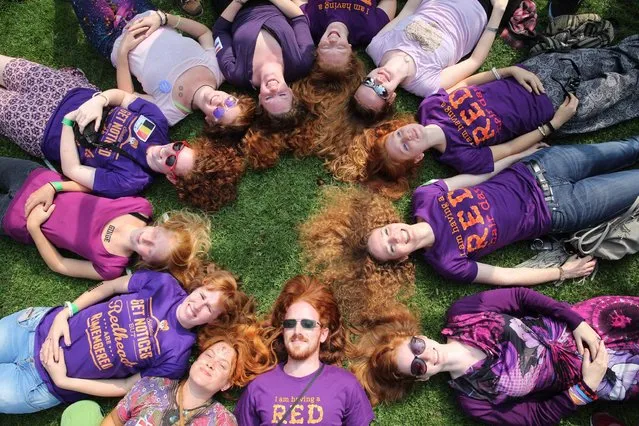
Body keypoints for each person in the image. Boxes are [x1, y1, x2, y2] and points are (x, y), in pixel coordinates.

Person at [365, 136, 639, 285]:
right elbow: (504, 275)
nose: (395, 237)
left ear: (390, 222)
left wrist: (521, 154)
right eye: (391, 247)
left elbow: (478, 176)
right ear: (401, 259)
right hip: (561, 208)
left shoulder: (424, 197)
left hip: (542, 167)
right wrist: (562, 273)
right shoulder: (446, 261)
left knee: (630, 147)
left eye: (386, 232)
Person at [349, 287, 639, 425]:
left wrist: (577, 322)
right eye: (416, 365)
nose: (425, 356)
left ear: (420, 337)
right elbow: (534, 417)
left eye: (416, 347)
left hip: (593, 323)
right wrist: (584, 390)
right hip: (607, 376)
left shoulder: (463, 312)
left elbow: (521, 298)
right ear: (421, 377)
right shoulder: (474, 401)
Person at [364, 35, 639, 180]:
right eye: (404, 147)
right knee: (625, 85)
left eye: (398, 135)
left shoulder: (429, 107)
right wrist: (554, 124)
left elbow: (469, 82)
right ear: (417, 158)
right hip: (554, 107)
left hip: (533, 73)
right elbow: (508, 149)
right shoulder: (460, 158)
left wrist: (508, 71)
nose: (407, 136)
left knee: (611, 57)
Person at [0, 268, 245, 414]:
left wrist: (63, 380)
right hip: (33, 329)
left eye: (209, 309)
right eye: (202, 296)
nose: (198, 306)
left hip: (40, 384)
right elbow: (111, 286)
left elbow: (127, 386)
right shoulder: (163, 284)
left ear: (213, 320)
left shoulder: (177, 357)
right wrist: (66, 312)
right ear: (197, 288)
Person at [0, 55, 197, 197]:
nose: (167, 152)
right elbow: (123, 96)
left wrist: (69, 122)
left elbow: (72, 170)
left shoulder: (130, 180)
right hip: (68, 90)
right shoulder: (158, 124)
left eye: (171, 161)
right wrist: (100, 100)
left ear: (172, 178)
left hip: (42, 129)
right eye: (178, 147)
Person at [0, 157, 210, 281]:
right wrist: (53, 187)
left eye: (151, 249)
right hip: (37, 179)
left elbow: (61, 265)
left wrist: (34, 227)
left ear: (148, 261)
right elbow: (94, 185)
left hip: (16, 217)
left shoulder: (111, 266)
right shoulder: (139, 207)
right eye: (155, 235)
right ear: (160, 226)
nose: (146, 239)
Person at [69, 0, 255, 134]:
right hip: (144, 12)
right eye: (230, 102)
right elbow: (204, 32)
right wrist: (163, 18)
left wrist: (123, 52)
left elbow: (128, 96)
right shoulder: (218, 70)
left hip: (112, 37)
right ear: (232, 96)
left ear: (210, 122)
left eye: (220, 112)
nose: (219, 103)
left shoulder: (169, 113)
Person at [234, 275, 375, 425]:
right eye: (290, 323)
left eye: (307, 324)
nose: (297, 331)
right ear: (283, 331)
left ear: (323, 334)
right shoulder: (258, 386)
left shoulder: (347, 384)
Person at [98, 316, 278, 425]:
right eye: (209, 355)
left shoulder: (222, 421)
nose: (211, 363)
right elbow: (114, 421)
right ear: (196, 360)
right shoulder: (152, 385)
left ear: (226, 384)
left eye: (222, 365)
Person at [353, 0, 511, 122]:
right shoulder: (427, 85)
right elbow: (474, 61)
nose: (378, 80)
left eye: (369, 82)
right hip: (483, 6)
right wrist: (499, 11)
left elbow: (408, 10)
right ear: (391, 98)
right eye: (381, 91)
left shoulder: (376, 47)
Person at [212, 0, 315, 130]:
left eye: (269, 97)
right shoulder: (302, 62)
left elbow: (219, 30)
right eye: (282, 94)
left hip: (232, 6)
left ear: (260, 100)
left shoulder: (236, 74)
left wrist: (238, 2)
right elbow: (299, 18)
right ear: (291, 92)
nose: (273, 89)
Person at [295, 0, 396, 77]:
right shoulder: (371, 28)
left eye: (326, 47)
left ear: (317, 48)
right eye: (340, 48)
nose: (333, 40)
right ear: (350, 48)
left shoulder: (309, 22)